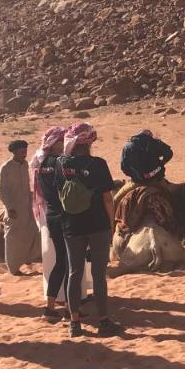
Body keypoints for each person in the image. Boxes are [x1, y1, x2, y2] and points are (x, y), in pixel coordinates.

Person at [57, 122, 121, 337]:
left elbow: (59, 193)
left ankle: (74, 323)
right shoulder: (98, 164)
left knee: (74, 273)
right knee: (98, 274)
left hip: (71, 225)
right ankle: (104, 320)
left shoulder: (60, 164)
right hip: (97, 225)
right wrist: (111, 224)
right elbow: (107, 198)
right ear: (90, 142)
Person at [32, 125, 82, 321]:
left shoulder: (42, 164)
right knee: (69, 262)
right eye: (62, 141)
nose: (65, 144)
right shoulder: (60, 163)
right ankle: (70, 309)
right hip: (65, 216)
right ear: (54, 143)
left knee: (61, 261)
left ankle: (50, 307)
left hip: (51, 215)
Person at [0, 139, 41, 275]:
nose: (24, 154)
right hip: (13, 209)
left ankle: (27, 259)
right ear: (15, 152)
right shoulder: (6, 168)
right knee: (13, 239)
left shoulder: (25, 165)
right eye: (22, 151)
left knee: (34, 231)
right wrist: (9, 207)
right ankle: (13, 268)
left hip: (27, 207)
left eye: (25, 151)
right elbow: (2, 190)